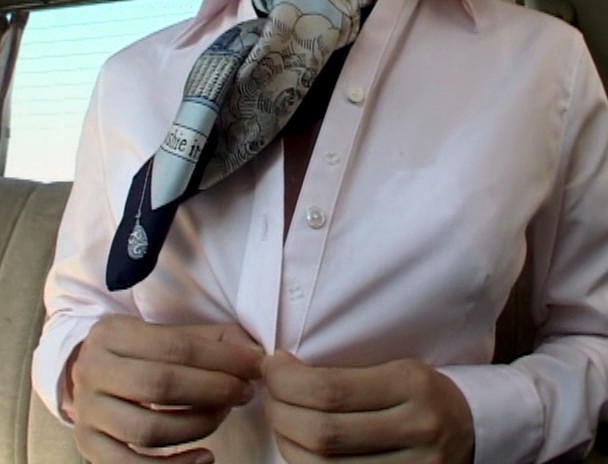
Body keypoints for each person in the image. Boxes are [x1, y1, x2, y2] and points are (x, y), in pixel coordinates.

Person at [32, 0, 608, 463]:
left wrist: (481, 421)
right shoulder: (127, 81)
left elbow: (596, 338)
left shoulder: (548, 66)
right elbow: (76, 311)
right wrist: (77, 374)